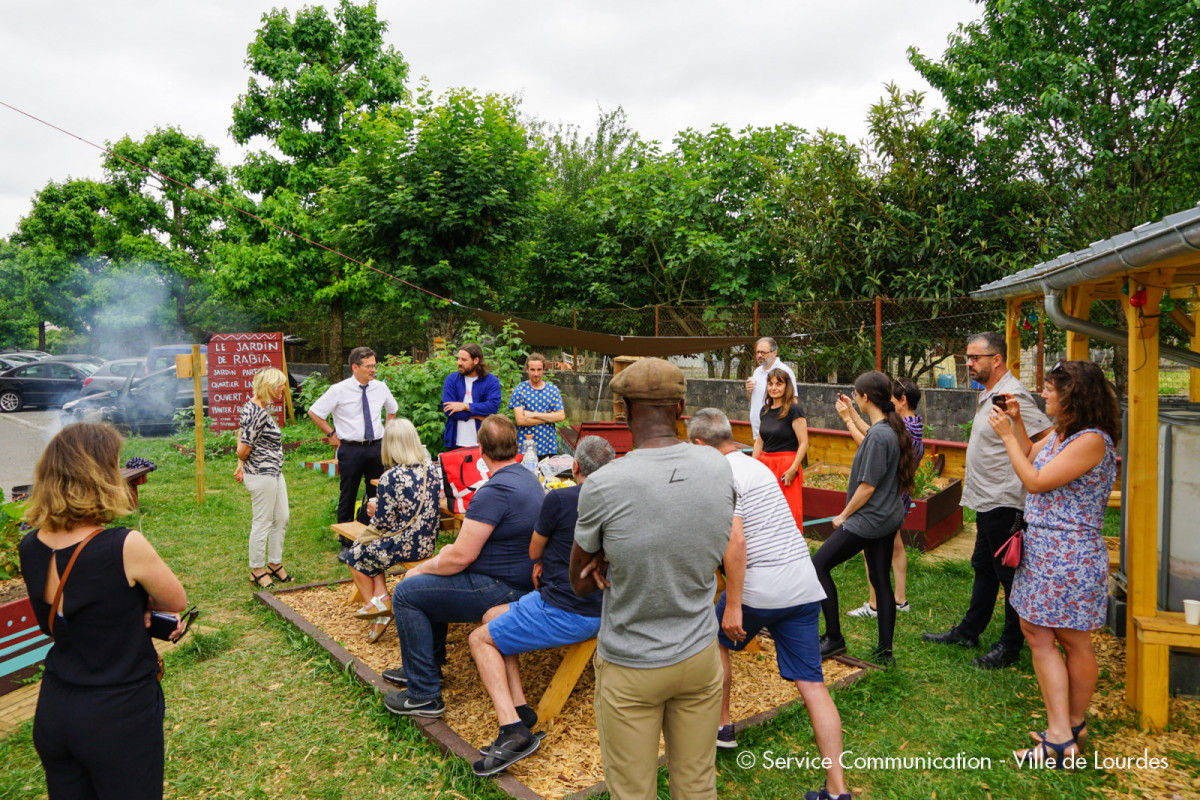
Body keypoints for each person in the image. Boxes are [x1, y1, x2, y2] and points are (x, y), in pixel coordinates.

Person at [570, 357, 735, 800]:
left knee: (632, 791)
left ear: (622, 411)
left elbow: (580, 581)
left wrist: (609, 556)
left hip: (631, 662)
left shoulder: (603, 485)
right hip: (700, 653)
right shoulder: (718, 466)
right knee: (698, 782)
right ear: (682, 409)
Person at [18, 423, 188, 800]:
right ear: (100, 476)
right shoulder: (125, 544)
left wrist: (127, 605)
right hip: (118, 712)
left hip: (56, 706)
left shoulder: (30, 546)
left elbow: (65, 616)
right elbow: (176, 601)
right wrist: (142, 606)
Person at [688, 409, 850, 800]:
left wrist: (734, 606)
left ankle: (723, 725)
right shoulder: (756, 466)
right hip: (802, 584)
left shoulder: (720, 475)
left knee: (713, 638)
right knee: (813, 684)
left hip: (761, 586)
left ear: (699, 445)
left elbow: (736, 543)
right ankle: (837, 790)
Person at [990, 361, 1119, 766]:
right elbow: (1032, 456)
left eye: (1049, 389)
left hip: (1068, 554)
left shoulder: (1093, 441)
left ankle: (1062, 736)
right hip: (1047, 550)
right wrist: (1018, 427)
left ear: (1074, 396)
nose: (1043, 394)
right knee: (1041, 632)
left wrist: (1006, 435)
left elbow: (1036, 481)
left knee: (1068, 639)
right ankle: (1069, 728)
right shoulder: (1066, 436)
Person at [466, 435, 615, 777]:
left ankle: (512, 730)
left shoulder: (561, 499)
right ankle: (521, 708)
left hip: (568, 609)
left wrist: (544, 559)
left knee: (478, 639)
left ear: (575, 467)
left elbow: (534, 552)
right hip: (606, 606)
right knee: (492, 616)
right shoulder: (623, 501)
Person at [383, 415, 542, 717]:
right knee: (433, 584)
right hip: (518, 580)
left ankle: (423, 693)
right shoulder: (526, 477)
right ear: (516, 445)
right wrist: (443, 559)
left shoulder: (493, 492)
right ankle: (425, 668)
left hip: (499, 586)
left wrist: (420, 568)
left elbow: (460, 558)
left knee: (407, 591)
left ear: (480, 450)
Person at [921, 332, 1051, 669]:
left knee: (1009, 575)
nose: (968, 363)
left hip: (1005, 499)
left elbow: (1046, 439)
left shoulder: (1012, 394)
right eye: (967, 357)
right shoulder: (990, 393)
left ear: (997, 360)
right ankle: (969, 631)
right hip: (987, 499)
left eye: (975, 357)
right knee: (983, 567)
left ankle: (1010, 646)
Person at [811, 371, 918, 666]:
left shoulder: (880, 435)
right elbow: (869, 432)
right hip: (888, 517)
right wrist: (849, 415)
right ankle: (885, 652)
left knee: (817, 566)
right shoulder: (890, 428)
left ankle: (833, 638)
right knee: (880, 579)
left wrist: (844, 515)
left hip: (868, 521)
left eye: (856, 394)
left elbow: (867, 486)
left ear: (865, 398)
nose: (854, 397)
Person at [340, 418, 442, 643]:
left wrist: (373, 509)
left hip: (405, 544)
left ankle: (374, 606)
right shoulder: (431, 469)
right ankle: (382, 597)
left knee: (355, 555)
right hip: (426, 541)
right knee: (372, 548)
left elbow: (383, 524)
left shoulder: (391, 477)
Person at [839, 378, 924, 617]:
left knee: (872, 548)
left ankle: (875, 603)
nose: (886, 403)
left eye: (891, 399)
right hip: (898, 494)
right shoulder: (912, 424)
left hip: (887, 496)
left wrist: (847, 419)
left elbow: (869, 443)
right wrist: (854, 412)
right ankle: (900, 599)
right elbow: (874, 432)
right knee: (896, 547)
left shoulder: (901, 428)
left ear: (902, 400)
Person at [307, 346, 398, 526]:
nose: (373, 370)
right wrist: (331, 434)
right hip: (351, 449)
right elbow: (315, 412)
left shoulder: (380, 388)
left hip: (376, 447)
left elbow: (392, 410)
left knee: (378, 490)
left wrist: (387, 433)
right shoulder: (339, 390)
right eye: (368, 366)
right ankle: (346, 539)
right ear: (355, 367)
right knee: (348, 493)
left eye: (374, 365)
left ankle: (375, 530)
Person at [235, 367, 291, 588]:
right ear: (269, 387)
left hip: (274, 472)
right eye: (280, 385)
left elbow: (241, 432)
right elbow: (243, 448)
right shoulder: (257, 412)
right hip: (261, 474)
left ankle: (274, 563)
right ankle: (257, 569)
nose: (283, 389)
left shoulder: (259, 407)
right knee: (263, 521)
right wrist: (241, 462)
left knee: (282, 517)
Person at [752, 367, 808, 529]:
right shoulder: (765, 410)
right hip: (765, 465)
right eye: (770, 383)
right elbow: (759, 442)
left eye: (779, 384)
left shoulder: (794, 410)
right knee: (764, 511)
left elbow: (804, 442)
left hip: (786, 466)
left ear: (787, 386)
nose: (774, 388)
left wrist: (793, 469)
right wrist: (752, 467)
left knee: (788, 511)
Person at [442, 343, 502, 451]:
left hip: (483, 443)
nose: (459, 363)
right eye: (458, 359)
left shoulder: (491, 381)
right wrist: (481, 416)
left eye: (464, 360)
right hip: (455, 442)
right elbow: (449, 411)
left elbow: (492, 407)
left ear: (476, 360)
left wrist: (464, 406)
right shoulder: (451, 380)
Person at [508, 351, 565, 457]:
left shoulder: (552, 390)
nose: (536, 373)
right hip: (526, 448)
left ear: (544, 370)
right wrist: (549, 417)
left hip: (548, 446)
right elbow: (520, 420)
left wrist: (532, 414)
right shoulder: (519, 390)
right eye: (532, 370)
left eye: (539, 370)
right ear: (527, 370)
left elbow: (561, 416)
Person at [745, 337, 797, 442]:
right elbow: (752, 400)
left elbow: (793, 400)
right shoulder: (757, 371)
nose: (759, 355)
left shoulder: (784, 371)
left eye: (763, 353)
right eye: (757, 352)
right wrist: (748, 391)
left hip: (775, 432)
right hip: (757, 431)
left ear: (774, 353)